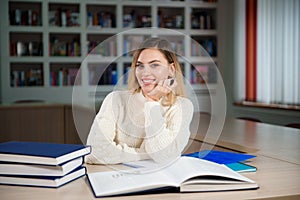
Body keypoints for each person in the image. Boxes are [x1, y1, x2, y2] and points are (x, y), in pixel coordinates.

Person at [85, 37, 194, 165]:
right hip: (117, 179)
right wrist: (146, 153)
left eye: (155, 65)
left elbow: (164, 156)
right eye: (140, 65)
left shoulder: (182, 106)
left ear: (171, 70)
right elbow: (95, 153)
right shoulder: (115, 100)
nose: (145, 73)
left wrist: (152, 102)